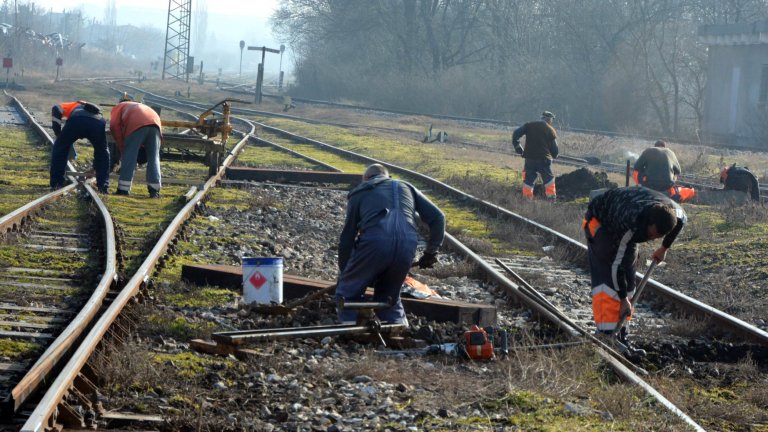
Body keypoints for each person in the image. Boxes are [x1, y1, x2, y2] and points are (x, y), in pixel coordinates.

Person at [336, 164, 446, 325]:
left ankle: (350, 329)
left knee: (347, 292)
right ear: (388, 177)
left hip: (375, 240)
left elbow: (347, 237)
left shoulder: (360, 191)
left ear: (365, 178)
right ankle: (397, 327)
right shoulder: (407, 187)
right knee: (389, 295)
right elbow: (438, 217)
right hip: (409, 242)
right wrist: (431, 252)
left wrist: (346, 272)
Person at [582, 186, 686, 353]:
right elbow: (617, 265)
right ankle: (605, 334)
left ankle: (621, 334)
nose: (652, 239)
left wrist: (664, 247)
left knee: (630, 281)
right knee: (608, 281)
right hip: (600, 223)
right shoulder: (628, 221)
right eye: (652, 235)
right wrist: (622, 299)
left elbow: (681, 221)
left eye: (657, 238)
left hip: (629, 223)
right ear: (650, 224)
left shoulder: (675, 214)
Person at [49, 102, 110, 193]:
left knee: (60, 148)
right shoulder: (94, 110)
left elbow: (56, 108)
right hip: (98, 122)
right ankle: (103, 186)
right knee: (102, 152)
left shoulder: (71, 105)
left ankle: (56, 183)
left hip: (77, 120)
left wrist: (58, 133)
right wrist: (95, 166)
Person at [109, 97, 163, 197]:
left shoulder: (119, 107)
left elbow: (114, 126)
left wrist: (122, 146)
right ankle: (154, 191)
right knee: (154, 157)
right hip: (156, 124)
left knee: (130, 157)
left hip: (137, 124)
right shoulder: (140, 106)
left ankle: (123, 189)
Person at [512, 111, 559, 199]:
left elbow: (515, 135)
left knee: (528, 181)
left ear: (541, 118)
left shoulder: (529, 125)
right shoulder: (550, 129)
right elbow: (555, 149)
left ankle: (527, 199)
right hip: (544, 160)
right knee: (549, 180)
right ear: (549, 119)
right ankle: (551, 199)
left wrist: (518, 147)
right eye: (551, 120)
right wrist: (554, 155)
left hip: (530, 159)